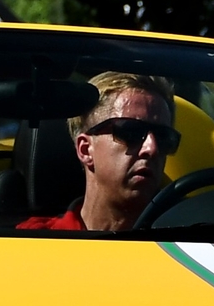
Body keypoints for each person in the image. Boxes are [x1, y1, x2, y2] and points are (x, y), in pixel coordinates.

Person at [18, 72, 178, 233]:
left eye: (163, 136)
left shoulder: (188, 247)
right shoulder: (32, 242)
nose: (152, 148)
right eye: (131, 132)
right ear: (85, 149)